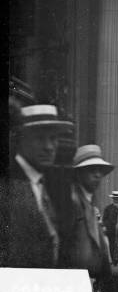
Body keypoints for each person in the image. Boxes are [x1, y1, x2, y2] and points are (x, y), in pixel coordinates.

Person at [2, 104, 73, 268]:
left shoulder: (44, 185)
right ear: (20, 139)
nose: (49, 147)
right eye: (40, 138)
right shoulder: (9, 184)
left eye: (53, 138)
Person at [64, 144, 114, 279]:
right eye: (92, 170)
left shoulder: (88, 202)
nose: (98, 175)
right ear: (78, 173)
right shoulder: (71, 202)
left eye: (100, 170)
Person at [102, 191, 118, 266]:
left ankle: (116, 259)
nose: (116, 200)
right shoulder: (108, 208)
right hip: (111, 230)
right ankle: (113, 260)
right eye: (115, 198)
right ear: (113, 199)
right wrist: (105, 226)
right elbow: (104, 219)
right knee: (111, 245)